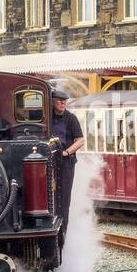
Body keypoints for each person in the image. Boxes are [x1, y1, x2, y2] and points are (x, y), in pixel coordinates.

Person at [49, 88, 84, 247]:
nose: (63, 103)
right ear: (52, 102)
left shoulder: (71, 119)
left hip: (65, 162)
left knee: (63, 199)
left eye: (64, 101)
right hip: (48, 160)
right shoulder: (47, 118)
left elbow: (80, 140)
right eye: (59, 101)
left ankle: (64, 231)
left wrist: (66, 152)